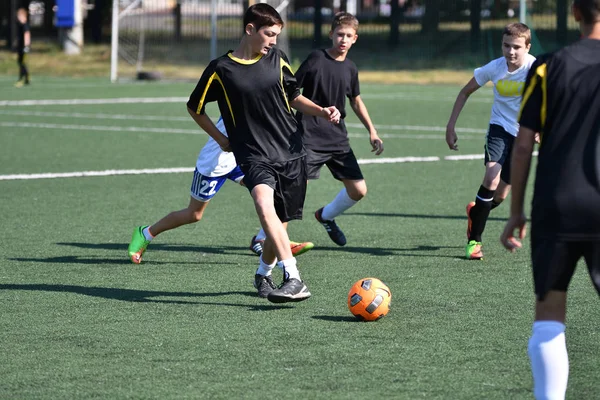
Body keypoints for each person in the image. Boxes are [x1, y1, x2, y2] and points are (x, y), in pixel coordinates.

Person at [187, 4, 341, 303]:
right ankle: (294, 277)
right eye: (269, 34)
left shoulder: (277, 60)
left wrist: (322, 111)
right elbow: (195, 108)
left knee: (278, 223)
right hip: (254, 154)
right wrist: (220, 139)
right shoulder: (221, 69)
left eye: (276, 35)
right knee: (262, 201)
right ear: (249, 30)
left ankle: (263, 274)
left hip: (290, 151)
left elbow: (294, 96)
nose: (273, 40)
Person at [500, 1, 600, 398]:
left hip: (557, 203)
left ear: (575, 12)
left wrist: (516, 212)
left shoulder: (547, 66)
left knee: (549, 315)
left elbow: (522, 146)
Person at [127, 117, 315, 264]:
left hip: (242, 160)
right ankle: (146, 233)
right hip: (215, 163)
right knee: (194, 214)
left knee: (276, 196)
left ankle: (271, 240)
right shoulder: (242, 91)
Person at [445, 22, 536, 260]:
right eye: (506, 46)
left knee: (500, 196)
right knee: (491, 178)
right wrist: (451, 125)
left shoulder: (536, 69)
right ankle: (474, 241)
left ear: (527, 47)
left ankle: (475, 212)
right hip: (499, 129)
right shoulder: (495, 68)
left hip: (524, 134)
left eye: (516, 47)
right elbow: (465, 91)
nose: (511, 52)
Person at [293, 11, 383, 247]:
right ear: (331, 34)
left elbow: (355, 100)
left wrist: (372, 131)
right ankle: (263, 237)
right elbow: (291, 90)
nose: (343, 39)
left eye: (348, 36)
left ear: (355, 39)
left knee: (358, 190)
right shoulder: (316, 59)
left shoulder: (351, 68)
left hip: (337, 138)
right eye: (339, 34)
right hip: (309, 135)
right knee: (297, 191)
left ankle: (326, 216)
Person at [15, 8, 31, 87]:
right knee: (21, 62)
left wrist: (26, 46)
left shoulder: (25, 25)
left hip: (23, 47)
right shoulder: (20, 25)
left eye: (19, 16)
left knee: (22, 63)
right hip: (20, 46)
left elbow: (27, 35)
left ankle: (22, 78)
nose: (18, 17)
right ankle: (26, 78)